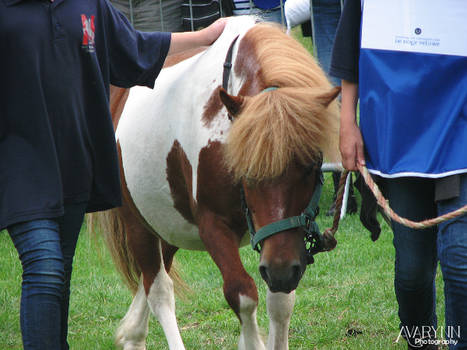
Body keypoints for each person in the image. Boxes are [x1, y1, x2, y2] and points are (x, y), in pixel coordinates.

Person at [0, 1, 226, 349]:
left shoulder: (87, 5)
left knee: (58, 275)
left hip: (73, 162)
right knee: (44, 268)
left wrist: (205, 37)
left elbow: (133, 48)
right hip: (18, 163)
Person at [331, 1, 467, 349]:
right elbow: (351, 45)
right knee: (411, 274)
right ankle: (420, 344)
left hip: (459, 126)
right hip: (399, 137)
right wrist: (347, 122)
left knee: (459, 261)